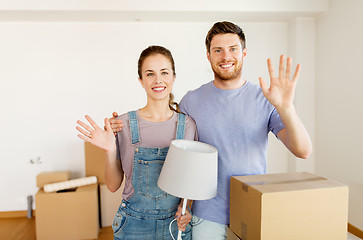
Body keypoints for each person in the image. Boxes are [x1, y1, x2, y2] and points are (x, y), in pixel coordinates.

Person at [109, 21, 312, 240]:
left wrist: (287, 108)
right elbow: (165, 129)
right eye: (218, 50)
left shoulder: (265, 99)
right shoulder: (191, 101)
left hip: (252, 207)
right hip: (205, 217)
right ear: (208, 55)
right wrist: (119, 127)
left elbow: (303, 151)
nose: (226, 56)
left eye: (233, 49)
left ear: (244, 53)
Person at [76, 45, 197, 240]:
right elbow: (114, 185)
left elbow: (190, 181)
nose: (158, 80)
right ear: (140, 80)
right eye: (150, 74)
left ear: (173, 77)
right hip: (133, 225)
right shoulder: (123, 124)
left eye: (164, 72)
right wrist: (109, 150)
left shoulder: (188, 125)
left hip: (175, 226)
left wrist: (186, 208)